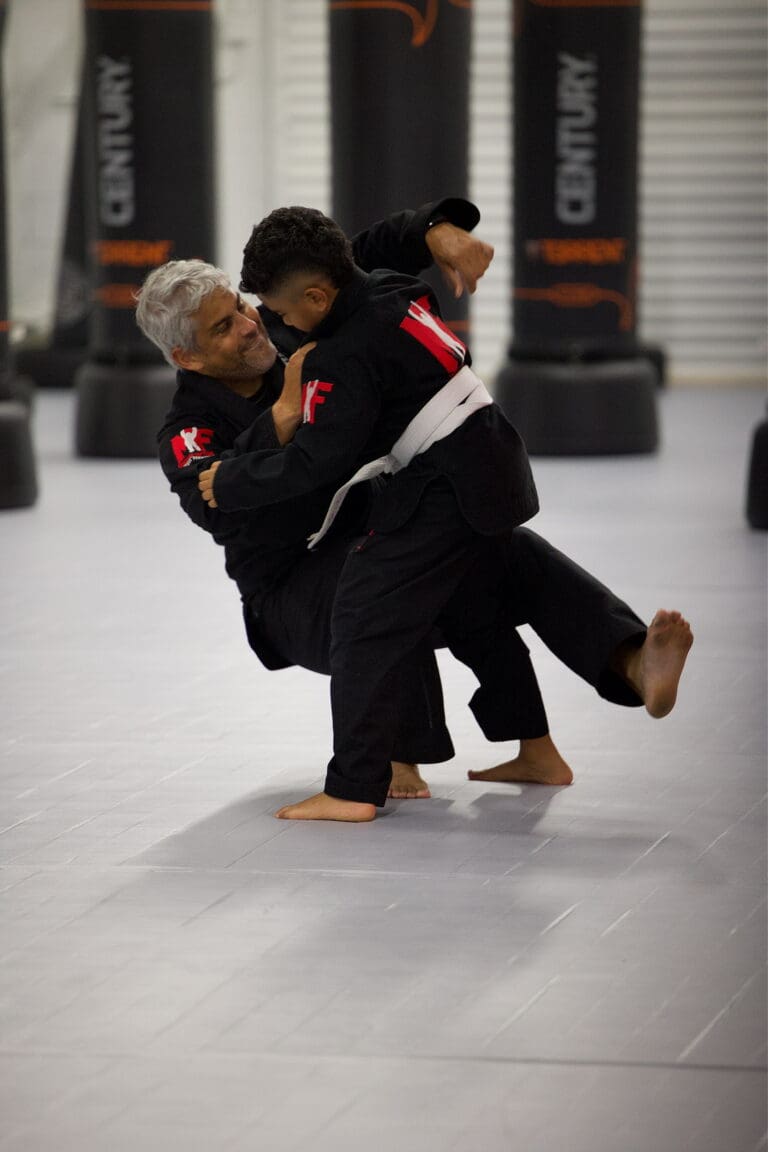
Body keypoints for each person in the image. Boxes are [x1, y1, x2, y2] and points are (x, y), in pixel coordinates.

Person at [197, 206, 693, 822]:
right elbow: (368, 252)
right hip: (491, 457)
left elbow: (319, 459)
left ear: (318, 297)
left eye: (272, 310)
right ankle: (604, 683)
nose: (269, 322)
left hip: (442, 486)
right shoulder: (388, 288)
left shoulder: (339, 355)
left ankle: (353, 788)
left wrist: (236, 473)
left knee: (363, 615)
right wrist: (433, 235)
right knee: (494, 583)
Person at [140, 199, 492, 797]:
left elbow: (356, 258)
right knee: (378, 575)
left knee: (493, 547)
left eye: (242, 309)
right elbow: (211, 506)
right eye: (222, 328)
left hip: (364, 533)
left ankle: (622, 657)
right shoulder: (186, 429)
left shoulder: (281, 318)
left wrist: (437, 230)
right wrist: (277, 419)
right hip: (288, 590)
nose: (249, 326)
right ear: (187, 357)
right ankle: (392, 759)